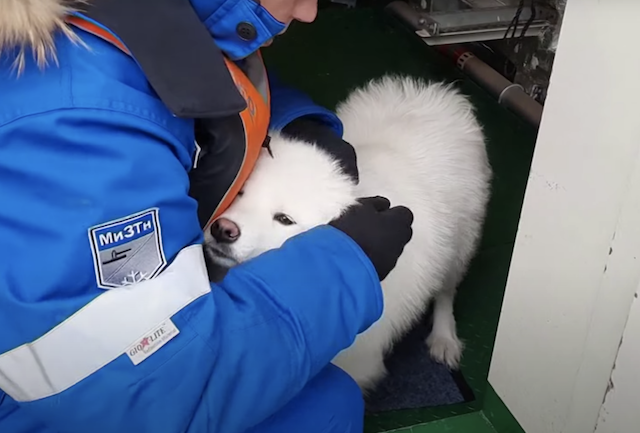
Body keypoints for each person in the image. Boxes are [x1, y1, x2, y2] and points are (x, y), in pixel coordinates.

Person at [0, 1, 414, 432]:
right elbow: (147, 395)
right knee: (327, 410)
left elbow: (181, 78)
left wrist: (293, 123)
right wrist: (341, 268)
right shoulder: (74, 126)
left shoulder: (114, 23)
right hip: (47, 405)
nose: (309, 11)